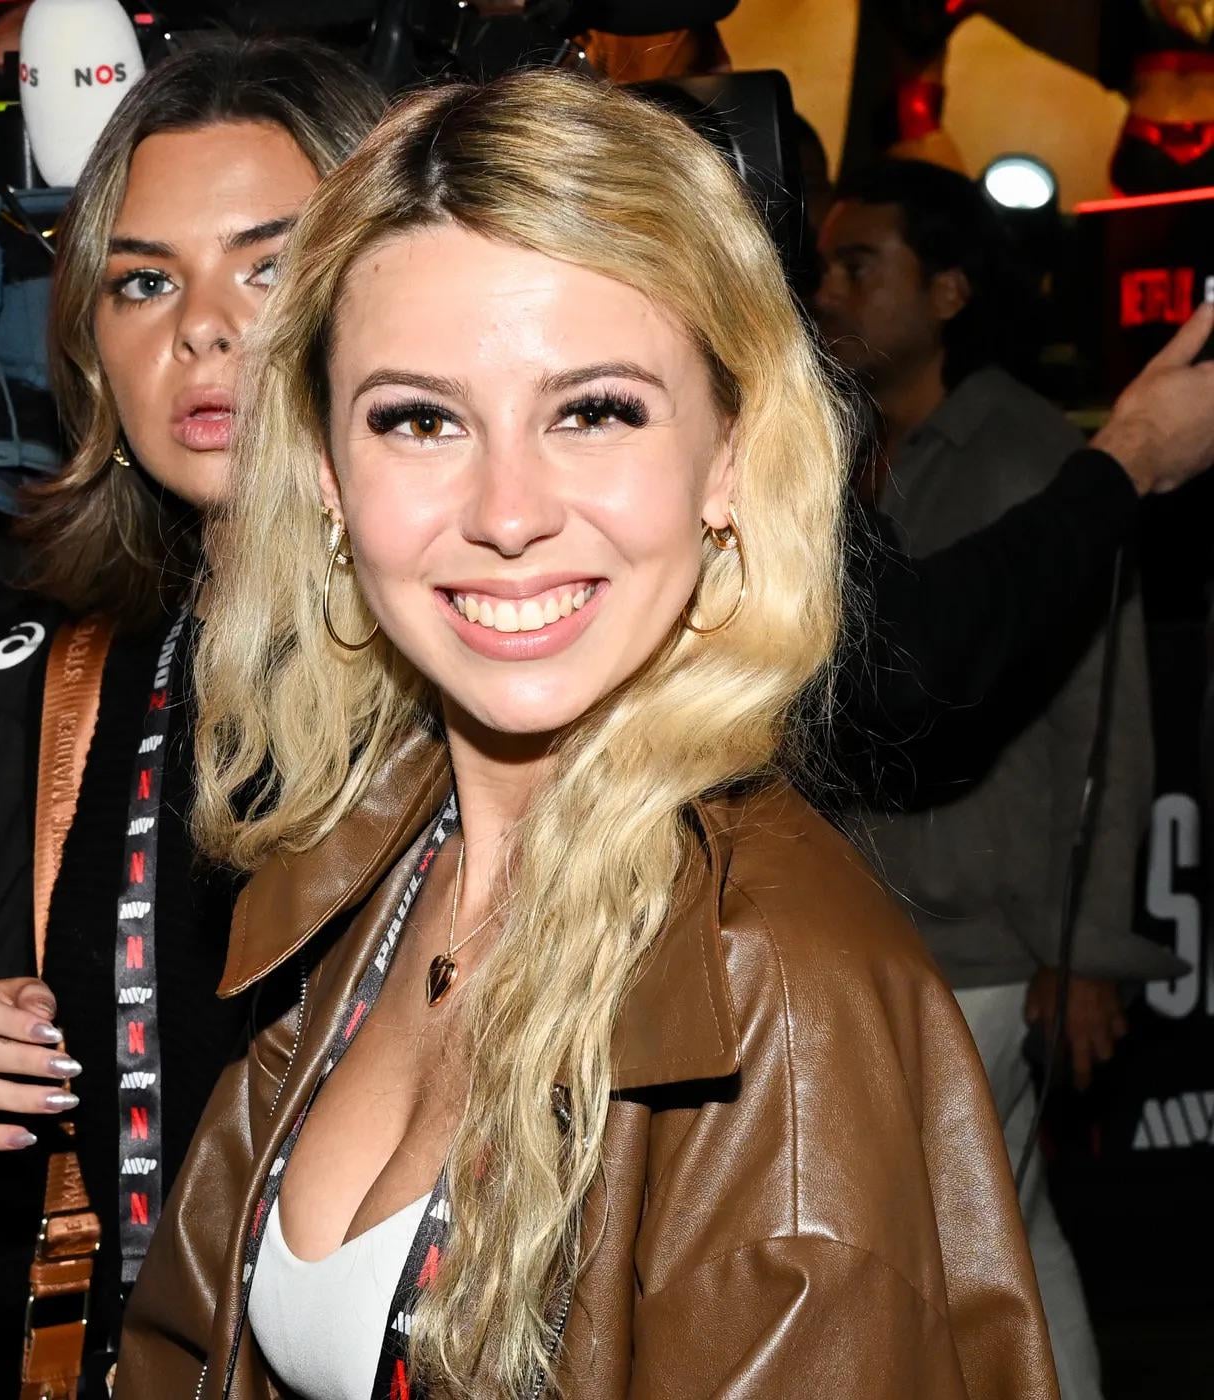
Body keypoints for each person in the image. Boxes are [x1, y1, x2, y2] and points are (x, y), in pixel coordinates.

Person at [116, 70, 1058, 1399]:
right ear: (327, 474)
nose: (507, 511)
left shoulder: (778, 1000)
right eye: (419, 418)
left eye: (594, 409)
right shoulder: (372, 864)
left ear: (727, 455)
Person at [0, 39, 383, 1399]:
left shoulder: (490, 654)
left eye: (267, 267)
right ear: (87, 343)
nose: (202, 328)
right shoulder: (106, 666)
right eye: (143, 279)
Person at [816, 159, 1181, 1399]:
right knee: (997, 1231)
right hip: (877, 927)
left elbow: (1105, 719)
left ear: (950, 291)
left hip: (975, 942)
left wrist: (1083, 948)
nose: (825, 288)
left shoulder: (1026, 452)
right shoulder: (846, 450)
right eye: (822, 260)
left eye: (859, 263)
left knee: (949, 1243)